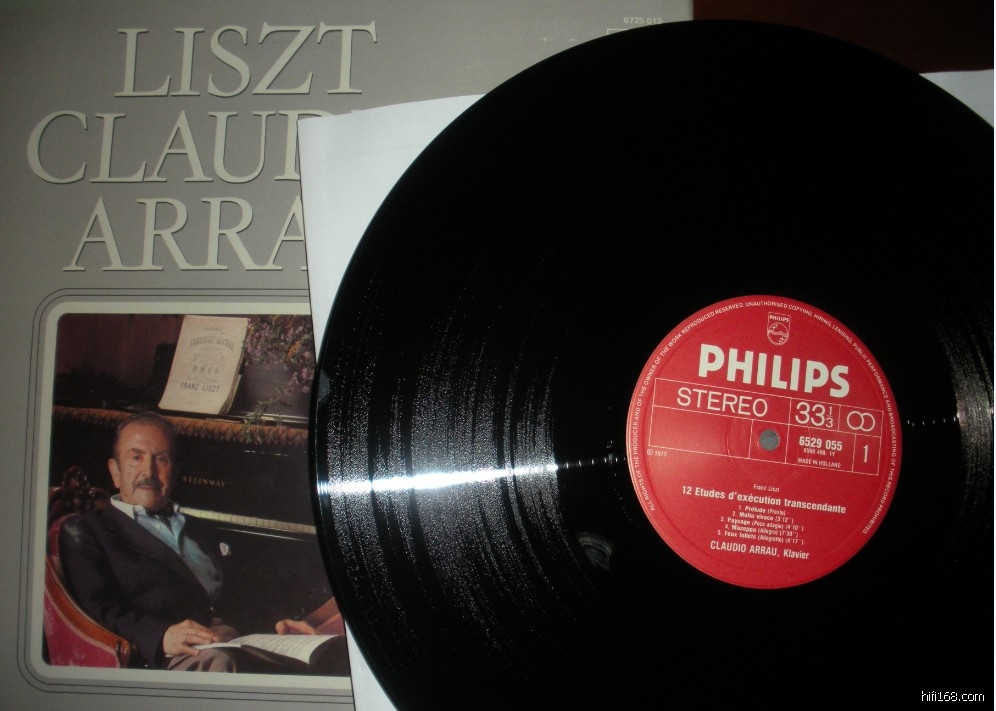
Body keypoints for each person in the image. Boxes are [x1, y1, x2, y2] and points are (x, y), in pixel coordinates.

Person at [58, 411, 340, 672]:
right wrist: (162, 636)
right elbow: (97, 611)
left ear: (174, 472)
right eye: (136, 458)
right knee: (222, 662)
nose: (149, 472)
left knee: (325, 653)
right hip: (165, 655)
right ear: (115, 471)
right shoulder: (88, 531)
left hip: (232, 640)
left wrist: (279, 624)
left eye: (161, 459)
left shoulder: (199, 528)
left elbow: (243, 595)